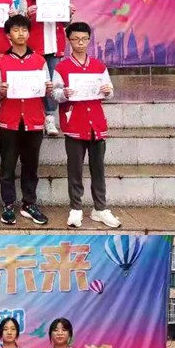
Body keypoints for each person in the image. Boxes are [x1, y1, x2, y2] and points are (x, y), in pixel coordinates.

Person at [54, 21, 121, 228]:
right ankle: (75, 208)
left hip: (97, 125)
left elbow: (108, 92)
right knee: (75, 169)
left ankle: (100, 208)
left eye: (84, 39)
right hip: (75, 124)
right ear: (69, 41)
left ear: (89, 40)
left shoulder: (99, 66)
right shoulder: (62, 67)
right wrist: (64, 94)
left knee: (98, 169)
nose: (80, 43)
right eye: (75, 39)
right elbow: (55, 94)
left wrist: (108, 91)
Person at [0, 15, 51, 226]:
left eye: (24, 30)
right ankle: (8, 205)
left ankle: (29, 204)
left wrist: (48, 88)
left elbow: (46, 86)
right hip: (9, 119)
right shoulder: (1, 61)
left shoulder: (40, 60)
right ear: (8, 35)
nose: (21, 34)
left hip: (34, 119)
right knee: (7, 166)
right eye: (16, 30)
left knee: (31, 165)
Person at [21, 0, 73, 137]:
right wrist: (27, 13)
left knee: (52, 82)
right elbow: (20, 23)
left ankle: (50, 117)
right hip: (35, 45)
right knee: (36, 81)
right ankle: (35, 115)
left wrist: (69, 14)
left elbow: (65, 24)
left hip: (55, 45)